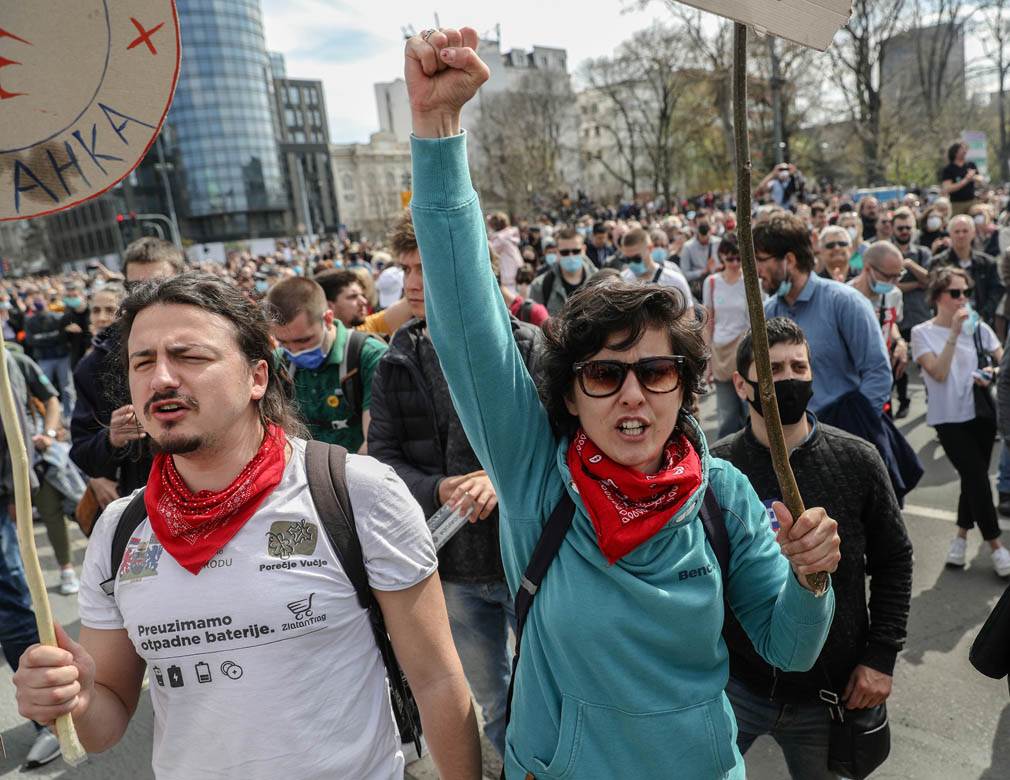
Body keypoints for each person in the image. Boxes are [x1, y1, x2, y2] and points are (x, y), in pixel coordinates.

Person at [403, 28, 840, 779]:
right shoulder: (537, 480)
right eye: (604, 375)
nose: (632, 392)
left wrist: (812, 581)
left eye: (656, 371)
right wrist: (438, 133)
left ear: (686, 386)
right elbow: (467, 322)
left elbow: (788, 646)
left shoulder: (723, 495)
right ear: (571, 394)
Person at [13, 272, 482, 779]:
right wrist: (75, 697)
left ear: (257, 377)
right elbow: (106, 723)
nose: (162, 378)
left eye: (190, 356)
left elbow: (437, 681)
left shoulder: (355, 492)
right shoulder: (119, 531)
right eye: (143, 361)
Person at [369, 210, 542, 763]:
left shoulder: (530, 349)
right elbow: (385, 460)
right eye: (406, 269)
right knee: (493, 702)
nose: (412, 284)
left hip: (531, 563)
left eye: (426, 269)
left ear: (473, 274)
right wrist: (440, 487)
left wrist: (501, 476)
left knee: (549, 695)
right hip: (451, 572)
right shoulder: (396, 362)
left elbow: (564, 444)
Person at [715, 318, 912, 779]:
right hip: (736, 686)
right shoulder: (719, 470)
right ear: (742, 382)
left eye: (798, 367)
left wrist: (880, 657)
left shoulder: (857, 459)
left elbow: (895, 561)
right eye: (774, 367)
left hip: (829, 696)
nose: (787, 379)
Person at [912, 267, 1009, 576]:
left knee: (973, 477)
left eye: (966, 292)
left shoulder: (978, 326)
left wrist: (990, 373)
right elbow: (938, 373)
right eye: (956, 293)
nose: (963, 298)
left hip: (981, 413)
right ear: (938, 297)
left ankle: (960, 539)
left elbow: (1001, 359)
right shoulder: (921, 332)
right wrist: (953, 333)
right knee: (977, 476)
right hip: (948, 419)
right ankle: (996, 546)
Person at [71, 238, 184, 501]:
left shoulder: (219, 337)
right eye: (135, 287)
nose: (147, 295)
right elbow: (83, 451)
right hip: (148, 505)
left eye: (159, 284)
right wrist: (111, 438)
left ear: (182, 279)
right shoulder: (95, 365)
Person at [1, 345, 61, 769]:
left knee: (15, 610)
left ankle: (51, 722)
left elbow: (13, 430)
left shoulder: (8, 359)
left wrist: (12, 493)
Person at [267, 277, 388, 453]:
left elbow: (376, 443)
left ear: (328, 319)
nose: (295, 351)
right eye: (283, 342)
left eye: (304, 340)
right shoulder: (278, 362)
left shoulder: (369, 356)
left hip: (358, 469)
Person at [848, 242, 910, 418]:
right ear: (867, 268)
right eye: (888, 277)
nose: (893, 282)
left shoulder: (894, 294)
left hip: (881, 375)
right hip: (853, 378)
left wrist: (899, 342)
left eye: (898, 276)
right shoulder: (845, 296)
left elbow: (891, 322)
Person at [702, 234, 750, 438]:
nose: (735, 263)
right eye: (730, 258)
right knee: (728, 415)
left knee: (750, 411)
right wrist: (708, 362)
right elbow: (708, 322)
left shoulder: (750, 280)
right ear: (722, 257)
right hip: (721, 353)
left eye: (739, 258)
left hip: (746, 352)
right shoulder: (711, 282)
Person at [892, 207, 932, 418]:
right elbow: (890, 285)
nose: (904, 231)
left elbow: (930, 281)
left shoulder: (923, 253)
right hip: (896, 319)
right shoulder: (886, 251)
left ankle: (932, 400)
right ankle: (903, 401)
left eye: (908, 227)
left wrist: (909, 264)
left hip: (920, 316)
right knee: (899, 364)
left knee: (926, 363)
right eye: (901, 228)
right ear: (893, 229)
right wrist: (917, 284)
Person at [932, 215, 1004, 326]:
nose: (961, 235)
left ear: (973, 233)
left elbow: (996, 291)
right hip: (947, 324)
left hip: (981, 322)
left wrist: (984, 315)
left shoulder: (987, 263)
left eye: (965, 231)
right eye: (957, 231)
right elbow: (933, 293)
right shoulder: (938, 263)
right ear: (950, 234)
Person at [314, 268, 412, 336]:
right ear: (329, 306)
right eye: (352, 297)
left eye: (362, 295)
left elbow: (411, 301)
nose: (364, 301)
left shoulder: (368, 328)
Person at [529, 227, 597, 316]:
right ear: (557, 252)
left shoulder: (600, 281)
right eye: (565, 252)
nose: (571, 256)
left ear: (583, 249)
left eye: (576, 251)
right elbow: (534, 325)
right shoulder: (540, 286)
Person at [619, 227, 693, 306]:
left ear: (650, 248)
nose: (631, 263)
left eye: (636, 258)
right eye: (627, 259)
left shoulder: (675, 280)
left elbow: (689, 315)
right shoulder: (622, 281)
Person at [679, 216, 721, 295]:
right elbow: (684, 274)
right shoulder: (687, 247)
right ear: (697, 232)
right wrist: (703, 271)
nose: (705, 240)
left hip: (718, 286)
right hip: (699, 290)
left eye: (707, 238)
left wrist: (719, 268)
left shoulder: (718, 243)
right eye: (702, 237)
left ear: (710, 231)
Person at [941, 141, 980, 216]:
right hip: (956, 204)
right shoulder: (949, 169)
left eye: (965, 149)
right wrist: (965, 180)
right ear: (955, 152)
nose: (965, 151)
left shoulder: (970, 165)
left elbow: (980, 179)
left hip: (971, 201)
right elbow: (947, 188)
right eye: (962, 149)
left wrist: (974, 177)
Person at [488, 212, 523, 293]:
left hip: (508, 277)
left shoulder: (501, 239)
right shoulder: (508, 235)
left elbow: (489, 250)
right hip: (515, 273)